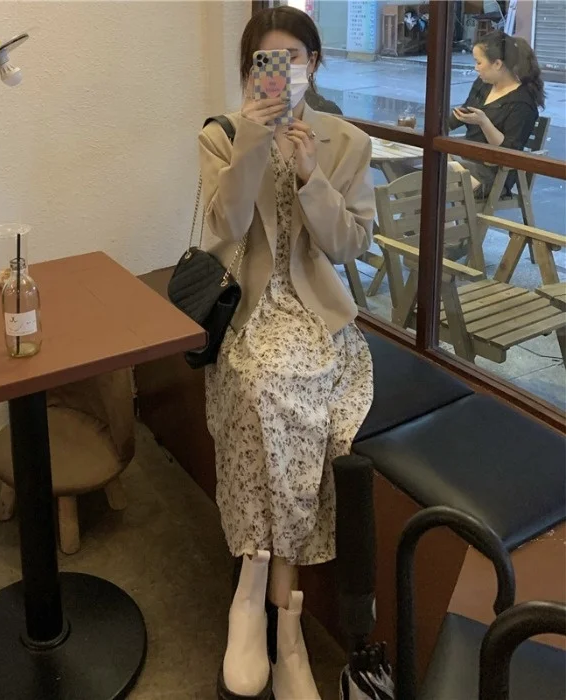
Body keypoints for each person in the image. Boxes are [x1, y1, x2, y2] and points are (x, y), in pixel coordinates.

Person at [198, 7, 375, 699]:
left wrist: (310, 176)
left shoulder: (345, 141)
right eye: (265, 63)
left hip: (316, 319)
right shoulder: (220, 135)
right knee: (255, 387)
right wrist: (251, 139)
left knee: (287, 396)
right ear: (249, 71)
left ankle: (270, 606)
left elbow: (351, 245)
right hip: (248, 311)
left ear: (314, 65)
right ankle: (269, 607)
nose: (281, 74)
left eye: (293, 60)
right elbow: (224, 228)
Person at [449, 30, 545, 198]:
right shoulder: (483, 84)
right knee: (415, 167)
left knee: (429, 174)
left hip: (493, 177)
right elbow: (463, 112)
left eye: (479, 62)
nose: (476, 68)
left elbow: (508, 152)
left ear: (497, 64)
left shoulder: (522, 104)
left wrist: (484, 122)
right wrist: (433, 128)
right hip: (466, 161)